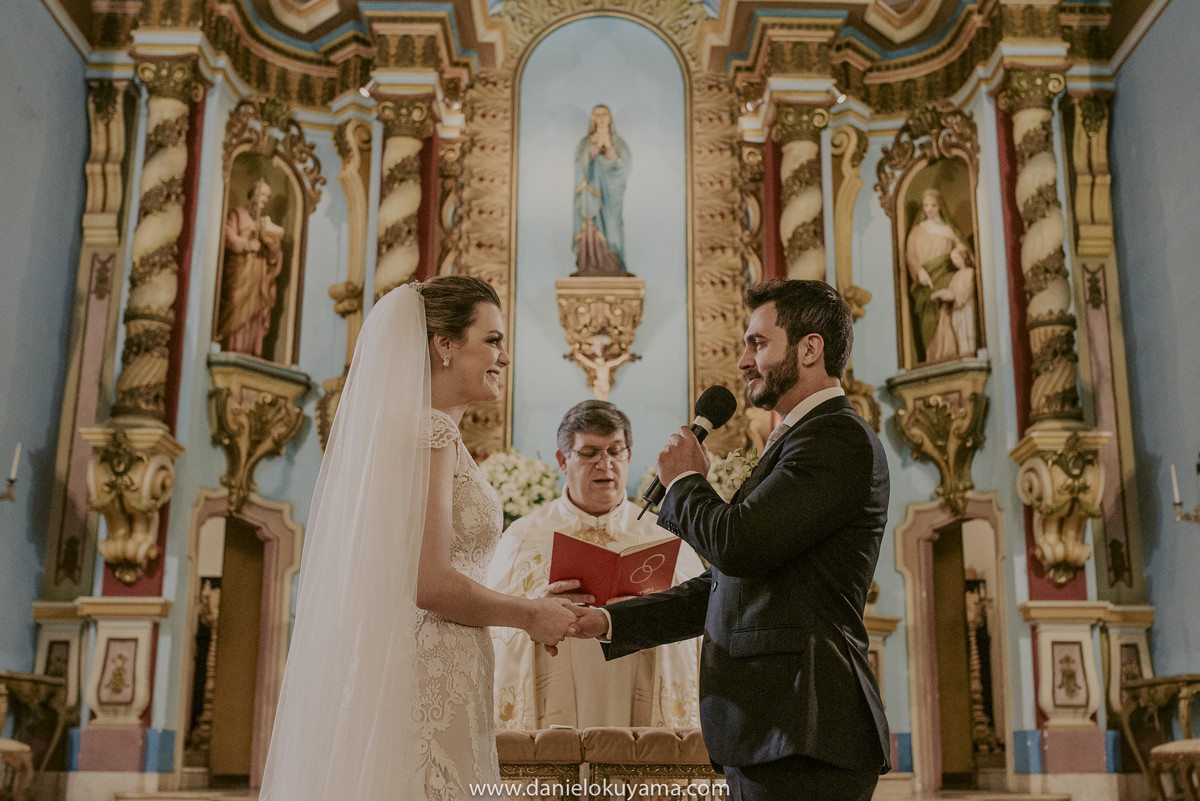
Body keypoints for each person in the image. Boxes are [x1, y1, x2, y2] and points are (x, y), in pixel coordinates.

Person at [260, 276, 581, 801]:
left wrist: (528, 606)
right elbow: (429, 583)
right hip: (429, 671)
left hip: (438, 662)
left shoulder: (417, 430)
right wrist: (527, 615)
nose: (503, 356)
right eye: (493, 340)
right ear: (445, 345)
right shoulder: (430, 433)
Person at [569, 279, 892, 801]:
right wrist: (608, 620)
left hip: (804, 726)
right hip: (770, 729)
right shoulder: (796, 441)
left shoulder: (836, 437)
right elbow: (726, 584)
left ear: (811, 349)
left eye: (758, 343)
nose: (743, 361)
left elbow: (737, 545)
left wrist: (685, 482)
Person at [487, 400, 703, 731]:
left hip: (639, 701)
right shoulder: (523, 537)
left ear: (629, 456)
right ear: (563, 460)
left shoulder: (666, 536)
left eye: (616, 451)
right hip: (557, 703)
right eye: (590, 453)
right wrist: (535, 610)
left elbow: (702, 627)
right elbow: (493, 632)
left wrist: (642, 613)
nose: (606, 464)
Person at [906, 187, 977, 362]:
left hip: (946, 277)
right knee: (929, 319)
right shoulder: (917, 231)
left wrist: (960, 251)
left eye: (933, 205)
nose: (929, 209)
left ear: (940, 207)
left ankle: (949, 354)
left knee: (947, 314)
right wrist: (920, 271)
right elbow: (911, 256)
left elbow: (964, 252)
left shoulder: (949, 230)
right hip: (926, 282)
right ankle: (933, 357)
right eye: (926, 205)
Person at [217, 179, 285, 357]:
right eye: (262, 194)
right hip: (240, 277)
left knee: (255, 314)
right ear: (252, 195)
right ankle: (231, 349)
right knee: (235, 310)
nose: (264, 200)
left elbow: (273, 262)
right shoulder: (238, 214)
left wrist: (273, 249)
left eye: (267, 197)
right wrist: (246, 244)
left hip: (258, 282)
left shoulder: (265, 223)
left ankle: (252, 352)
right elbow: (227, 236)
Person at [573, 105, 633, 277]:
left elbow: (624, 166)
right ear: (593, 118)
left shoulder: (619, 143)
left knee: (613, 225)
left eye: (604, 114)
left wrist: (612, 156)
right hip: (590, 194)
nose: (601, 118)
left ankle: (614, 262)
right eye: (597, 114)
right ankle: (591, 263)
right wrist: (589, 155)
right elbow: (578, 166)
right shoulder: (585, 143)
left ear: (610, 117)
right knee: (591, 223)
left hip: (611, 195)